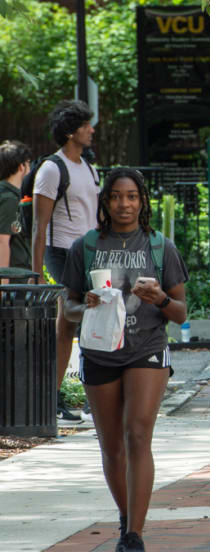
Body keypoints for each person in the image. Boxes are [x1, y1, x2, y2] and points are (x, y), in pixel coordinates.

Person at [61, 168, 189, 552]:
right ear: (105, 202)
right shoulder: (84, 247)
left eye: (132, 196)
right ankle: (125, 515)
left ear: (142, 201)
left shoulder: (159, 246)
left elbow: (181, 312)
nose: (124, 204)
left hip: (145, 347)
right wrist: (84, 305)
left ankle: (134, 534)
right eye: (116, 196)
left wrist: (160, 300)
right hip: (100, 352)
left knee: (137, 435)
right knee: (112, 446)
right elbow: (66, 308)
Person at [32, 100, 101, 423]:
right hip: (61, 252)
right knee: (75, 320)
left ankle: (81, 396)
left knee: (80, 322)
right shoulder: (51, 169)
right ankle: (58, 396)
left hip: (90, 253)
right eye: (87, 125)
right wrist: (37, 275)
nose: (92, 129)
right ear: (72, 131)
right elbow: (39, 226)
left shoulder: (88, 168)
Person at [0, 140, 33, 271]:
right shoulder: (9, 199)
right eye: (28, 164)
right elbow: (2, 241)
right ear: (21, 167)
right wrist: (3, 284)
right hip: (14, 279)